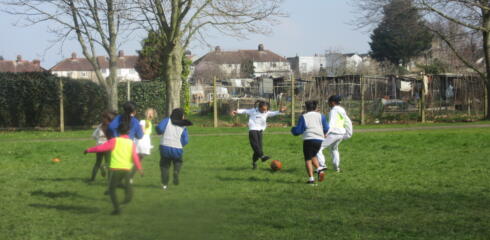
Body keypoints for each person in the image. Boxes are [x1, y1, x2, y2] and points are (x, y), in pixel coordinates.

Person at [84, 120, 143, 215]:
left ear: (118, 131)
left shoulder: (114, 141)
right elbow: (135, 157)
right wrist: (139, 168)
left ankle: (117, 209)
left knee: (111, 189)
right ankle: (128, 192)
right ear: (128, 131)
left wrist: (88, 150)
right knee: (123, 185)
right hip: (127, 169)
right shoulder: (131, 143)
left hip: (116, 169)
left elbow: (100, 148)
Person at [232, 100, 287, 169]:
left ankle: (254, 162)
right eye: (263, 109)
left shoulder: (266, 112)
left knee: (258, 148)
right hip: (252, 130)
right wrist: (236, 111)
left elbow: (273, 113)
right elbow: (245, 111)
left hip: (260, 131)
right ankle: (262, 156)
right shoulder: (253, 111)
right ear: (259, 107)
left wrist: (280, 111)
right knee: (255, 145)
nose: (265, 111)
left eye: (266, 109)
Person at [291, 100, 329, 184]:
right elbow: (326, 128)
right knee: (313, 155)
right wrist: (324, 133)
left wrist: (293, 130)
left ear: (306, 108)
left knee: (308, 159)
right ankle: (319, 170)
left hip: (309, 139)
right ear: (315, 107)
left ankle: (311, 179)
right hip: (319, 140)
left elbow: (298, 131)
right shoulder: (321, 116)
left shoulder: (304, 116)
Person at [156, 108, 192, 190]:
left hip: (164, 146)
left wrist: (159, 132)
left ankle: (164, 185)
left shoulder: (167, 120)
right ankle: (176, 171)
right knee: (178, 161)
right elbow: (185, 140)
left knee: (164, 166)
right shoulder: (183, 126)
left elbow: (160, 129)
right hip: (177, 148)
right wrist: (180, 144)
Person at [316, 95, 353, 173]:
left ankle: (322, 166)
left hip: (334, 133)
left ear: (332, 102)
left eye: (329, 102)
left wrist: (325, 133)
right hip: (341, 134)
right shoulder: (342, 110)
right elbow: (348, 122)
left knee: (318, 148)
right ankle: (336, 168)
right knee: (334, 149)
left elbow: (331, 124)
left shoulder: (333, 111)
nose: (328, 103)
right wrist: (349, 134)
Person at [89, 111, 116, 182]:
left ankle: (92, 179)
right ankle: (109, 180)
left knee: (97, 163)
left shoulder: (99, 127)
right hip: (108, 147)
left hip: (99, 147)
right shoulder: (111, 127)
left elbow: (94, 136)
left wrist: (99, 139)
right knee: (109, 163)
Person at [131, 108, 157, 180]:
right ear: (146, 114)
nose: (150, 115)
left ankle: (130, 176)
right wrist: (147, 121)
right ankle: (130, 175)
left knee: (139, 159)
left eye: (151, 113)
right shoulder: (143, 121)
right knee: (137, 159)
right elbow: (143, 130)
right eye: (149, 113)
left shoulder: (150, 123)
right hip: (141, 141)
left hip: (145, 141)